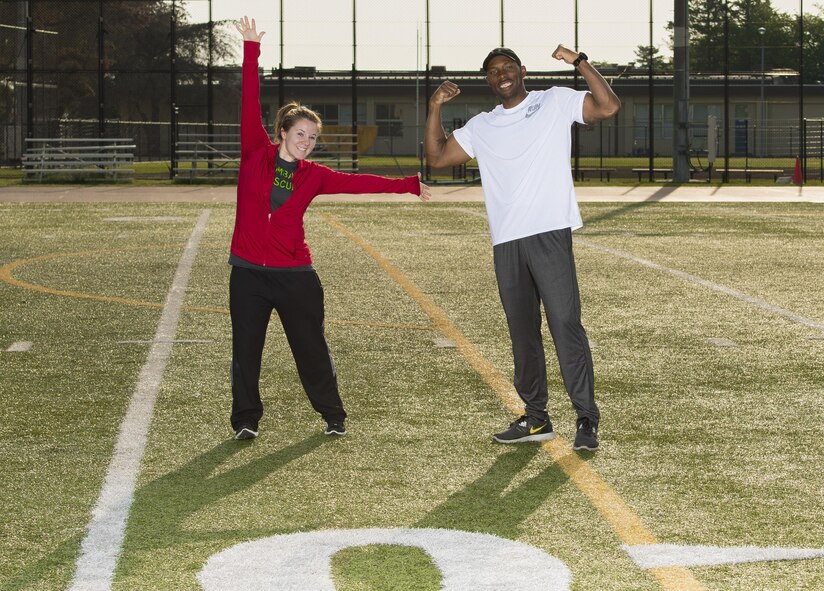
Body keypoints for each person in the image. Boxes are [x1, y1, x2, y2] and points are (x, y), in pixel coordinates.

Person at [229, 16, 430, 441]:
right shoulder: (255, 155)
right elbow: (249, 101)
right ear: (282, 131)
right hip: (247, 273)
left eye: (313, 137)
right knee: (246, 352)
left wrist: (407, 185)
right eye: (300, 133)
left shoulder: (313, 174)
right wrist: (251, 51)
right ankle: (246, 420)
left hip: (295, 276)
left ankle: (332, 414)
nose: (307, 141)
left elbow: (359, 183)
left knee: (311, 349)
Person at [425, 45, 620, 451]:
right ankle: (536, 418)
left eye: (508, 67)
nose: (502, 75)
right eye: (493, 71)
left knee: (565, 324)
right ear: (488, 80)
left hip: (549, 233)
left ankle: (586, 418)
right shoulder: (482, 125)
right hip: (507, 241)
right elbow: (438, 158)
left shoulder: (553, 100)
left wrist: (580, 62)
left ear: (522, 70)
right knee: (523, 333)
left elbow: (607, 107)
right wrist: (434, 107)